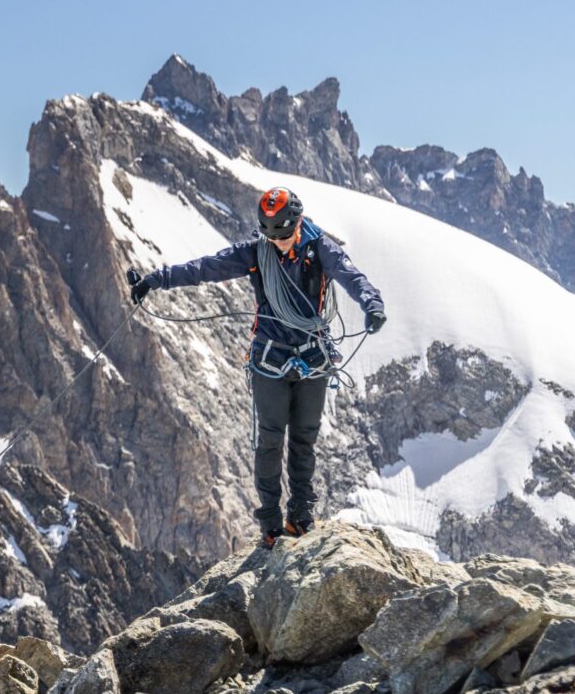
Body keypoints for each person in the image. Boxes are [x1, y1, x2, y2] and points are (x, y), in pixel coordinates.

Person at [127, 187, 386, 548]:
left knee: (303, 439)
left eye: (282, 232)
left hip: (312, 355)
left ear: (297, 223)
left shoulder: (320, 248)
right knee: (269, 440)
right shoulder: (256, 251)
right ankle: (270, 522)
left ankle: (300, 517)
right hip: (271, 357)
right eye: (270, 233)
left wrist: (371, 304)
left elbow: (349, 274)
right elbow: (206, 268)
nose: (276, 241)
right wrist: (156, 280)